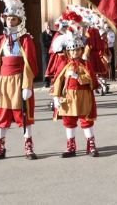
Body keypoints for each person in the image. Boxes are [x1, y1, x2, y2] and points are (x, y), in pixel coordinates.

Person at [0, 0, 39, 160]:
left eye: (14, 19)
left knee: (23, 115)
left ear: (19, 20)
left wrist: (27, 86)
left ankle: (28, 147)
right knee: (2, 114)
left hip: (19, 80)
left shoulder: (25, 40)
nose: (11, 21)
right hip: (3, 82)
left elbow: (30, 64)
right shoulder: (0, 40)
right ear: (4, 20)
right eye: (8, 18)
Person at [51, 13, 99, 158]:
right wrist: (56, 97)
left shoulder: (85, 64)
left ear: (81, 49)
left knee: (86, 120)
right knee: (69, 121)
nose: (74, 52)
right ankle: (70, 146)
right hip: (68, 96)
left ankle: (90, 144)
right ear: (68, 51)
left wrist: (77, 76)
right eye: (72, 50)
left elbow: (90, 79)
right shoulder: (64, 64)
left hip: (83, 95)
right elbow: (58, 80)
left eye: (77, 49)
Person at [41, 21, 55, 88]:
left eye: (49, 25)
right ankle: (47, 83)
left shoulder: (54, 33)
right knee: (46, 67)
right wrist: (52, 42)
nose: (48, 27)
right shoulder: (42, 35)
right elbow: (44, 45)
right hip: (46, 53)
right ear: (45, 26)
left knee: (54, 67)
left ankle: (54, 81)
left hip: (53, 53)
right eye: (47, 26)